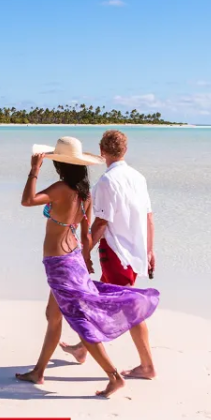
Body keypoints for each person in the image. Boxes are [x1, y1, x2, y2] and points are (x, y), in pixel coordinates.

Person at [14, 136, 160, 398]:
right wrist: (86, 259)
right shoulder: (84, 193)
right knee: (53, 315)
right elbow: (85, 234)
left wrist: (33, 171)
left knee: (80, 321)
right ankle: (38, 371)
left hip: (59, 263)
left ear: (60, 165)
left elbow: (27, 200)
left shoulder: (61, 189)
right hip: (73, 259)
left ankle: (114, 377)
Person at [59, 129, 158, 379]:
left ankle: (147, 366)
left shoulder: (106, 181)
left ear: (102, 152)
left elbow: (101, 222)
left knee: (131, 309)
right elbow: (148, 217)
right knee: (95, 300)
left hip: (116, 253)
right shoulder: (138, 177)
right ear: (125, 151)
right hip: (135, 253)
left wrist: (83, 252)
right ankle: (83, 349)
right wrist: (149, 250)